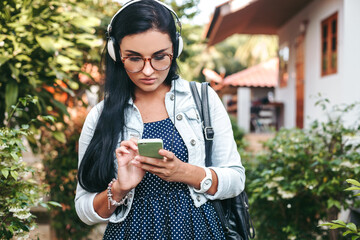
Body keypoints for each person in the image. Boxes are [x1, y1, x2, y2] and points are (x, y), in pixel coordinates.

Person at [75, 0, 245, 239]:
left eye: (159, 57)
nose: (148, 71)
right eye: (134, 58)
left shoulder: (203, 99)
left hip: (200, 230)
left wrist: (183, 171)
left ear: (176, 49)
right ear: (116, 54)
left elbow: (236, 179)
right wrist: (120, 188)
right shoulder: (100, 116)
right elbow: (84, 209)